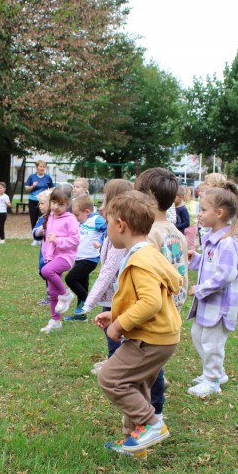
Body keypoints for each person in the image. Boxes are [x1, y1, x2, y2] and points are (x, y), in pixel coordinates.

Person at [96, 190, 183, 457]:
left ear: (120, 225)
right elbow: (143, 298)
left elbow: (150, 302)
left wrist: (118, 325)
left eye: (108, 222)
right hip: (161, 336)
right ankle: (135, 444)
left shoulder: (140, 259)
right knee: (137, 384)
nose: (107, 228)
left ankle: (152, 424)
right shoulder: (148, 252)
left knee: (110, 378)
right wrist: (115, 314)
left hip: (151, 339)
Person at [134, 167, 189, 415]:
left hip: (153, 312)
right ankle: (155, 411)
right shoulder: (177, 233)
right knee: (154, 365)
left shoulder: (148, 235)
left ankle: (153, 414)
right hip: (172, 310)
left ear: (149, 197)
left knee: (144, 368)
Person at [186, 182, 238, 397]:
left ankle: (212, 381)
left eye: (203, 209)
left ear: (219, 213)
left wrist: (201, 288)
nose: (199, 214)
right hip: (208, 304)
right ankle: (216, 373)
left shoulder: (226, 243)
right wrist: (196, 259)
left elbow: (226, 275)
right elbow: (211, 264)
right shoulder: (213, 240)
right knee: (197, 335)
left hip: (219, 306)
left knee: (212, 343)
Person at [82, 179, 133, 375]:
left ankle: (116, 367)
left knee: (114, 330)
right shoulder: (115, 231)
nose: (102, 207)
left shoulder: (121, 236)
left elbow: (108, 270)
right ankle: (115, 362)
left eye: (105, 201)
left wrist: (89, 302)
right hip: (113, 293)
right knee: (112, 329)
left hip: (116, 295)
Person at [38, 187, 79, 333]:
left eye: (61, 204)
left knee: (46, 271)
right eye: (54, 202)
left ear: (68, 204)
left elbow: (75, 240)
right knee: (52, 292)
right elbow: (46, 239)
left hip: (65, 257)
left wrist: (58, 240)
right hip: (51, 257)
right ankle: (55, 321)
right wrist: (46, 253)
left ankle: (66, 294)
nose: (56, 207)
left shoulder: (70, 219)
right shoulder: (50, 217)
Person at [63, 194, 106, 321]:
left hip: (90, 259)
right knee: (82, 284)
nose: (75, 218)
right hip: (79, 258)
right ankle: (81, 315)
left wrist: (101, 242)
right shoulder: (81, 220)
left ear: (87, 211)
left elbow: (108, 230)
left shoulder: (96, 220)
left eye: (77, 215)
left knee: (70, 278)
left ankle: (87, 300)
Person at [25, 160, 54, 243]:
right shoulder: (32, 177)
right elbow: (26, 188)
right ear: (37, 167)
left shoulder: (47, 177)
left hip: (43, 201)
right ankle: (35, 238)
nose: (42, 168)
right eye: (41, 166)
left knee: (43, 218)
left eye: (44, 167)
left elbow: (52, 187)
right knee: (33, 219)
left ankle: (43, 236)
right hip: (33, 200)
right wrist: (33, 186)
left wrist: (49, 193)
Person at [32, 189, 52, 305]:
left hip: (54, 251)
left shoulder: (58, 218)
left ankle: (51, 295)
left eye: (42, 203)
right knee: (42, 270)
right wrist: (40, 230)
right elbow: (35, 233)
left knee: (49, 271)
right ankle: (55, 290)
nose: (39, 206)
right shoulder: (42, 219)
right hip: (44, 250)